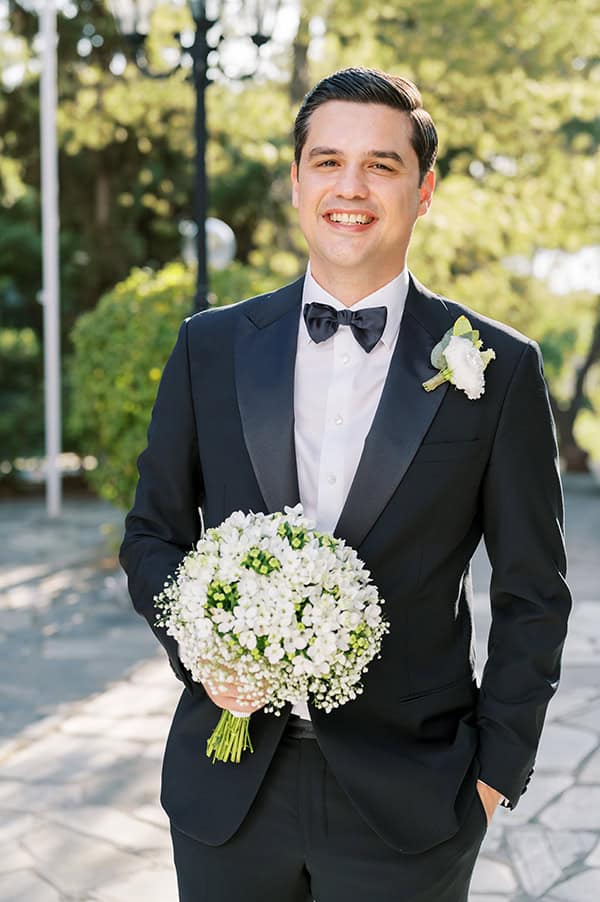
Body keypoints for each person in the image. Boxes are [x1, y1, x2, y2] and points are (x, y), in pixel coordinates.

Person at [120, 68, 571, 901]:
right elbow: (151, 536)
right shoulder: (209, 347)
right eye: (327, 162)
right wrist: (201, 649)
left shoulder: (499, 369)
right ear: (296, 182)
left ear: (424, 189)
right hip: (227, 788)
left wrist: (492, 774)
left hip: (414, 798)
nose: (350, 188)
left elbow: (534, 592)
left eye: (382, 165)